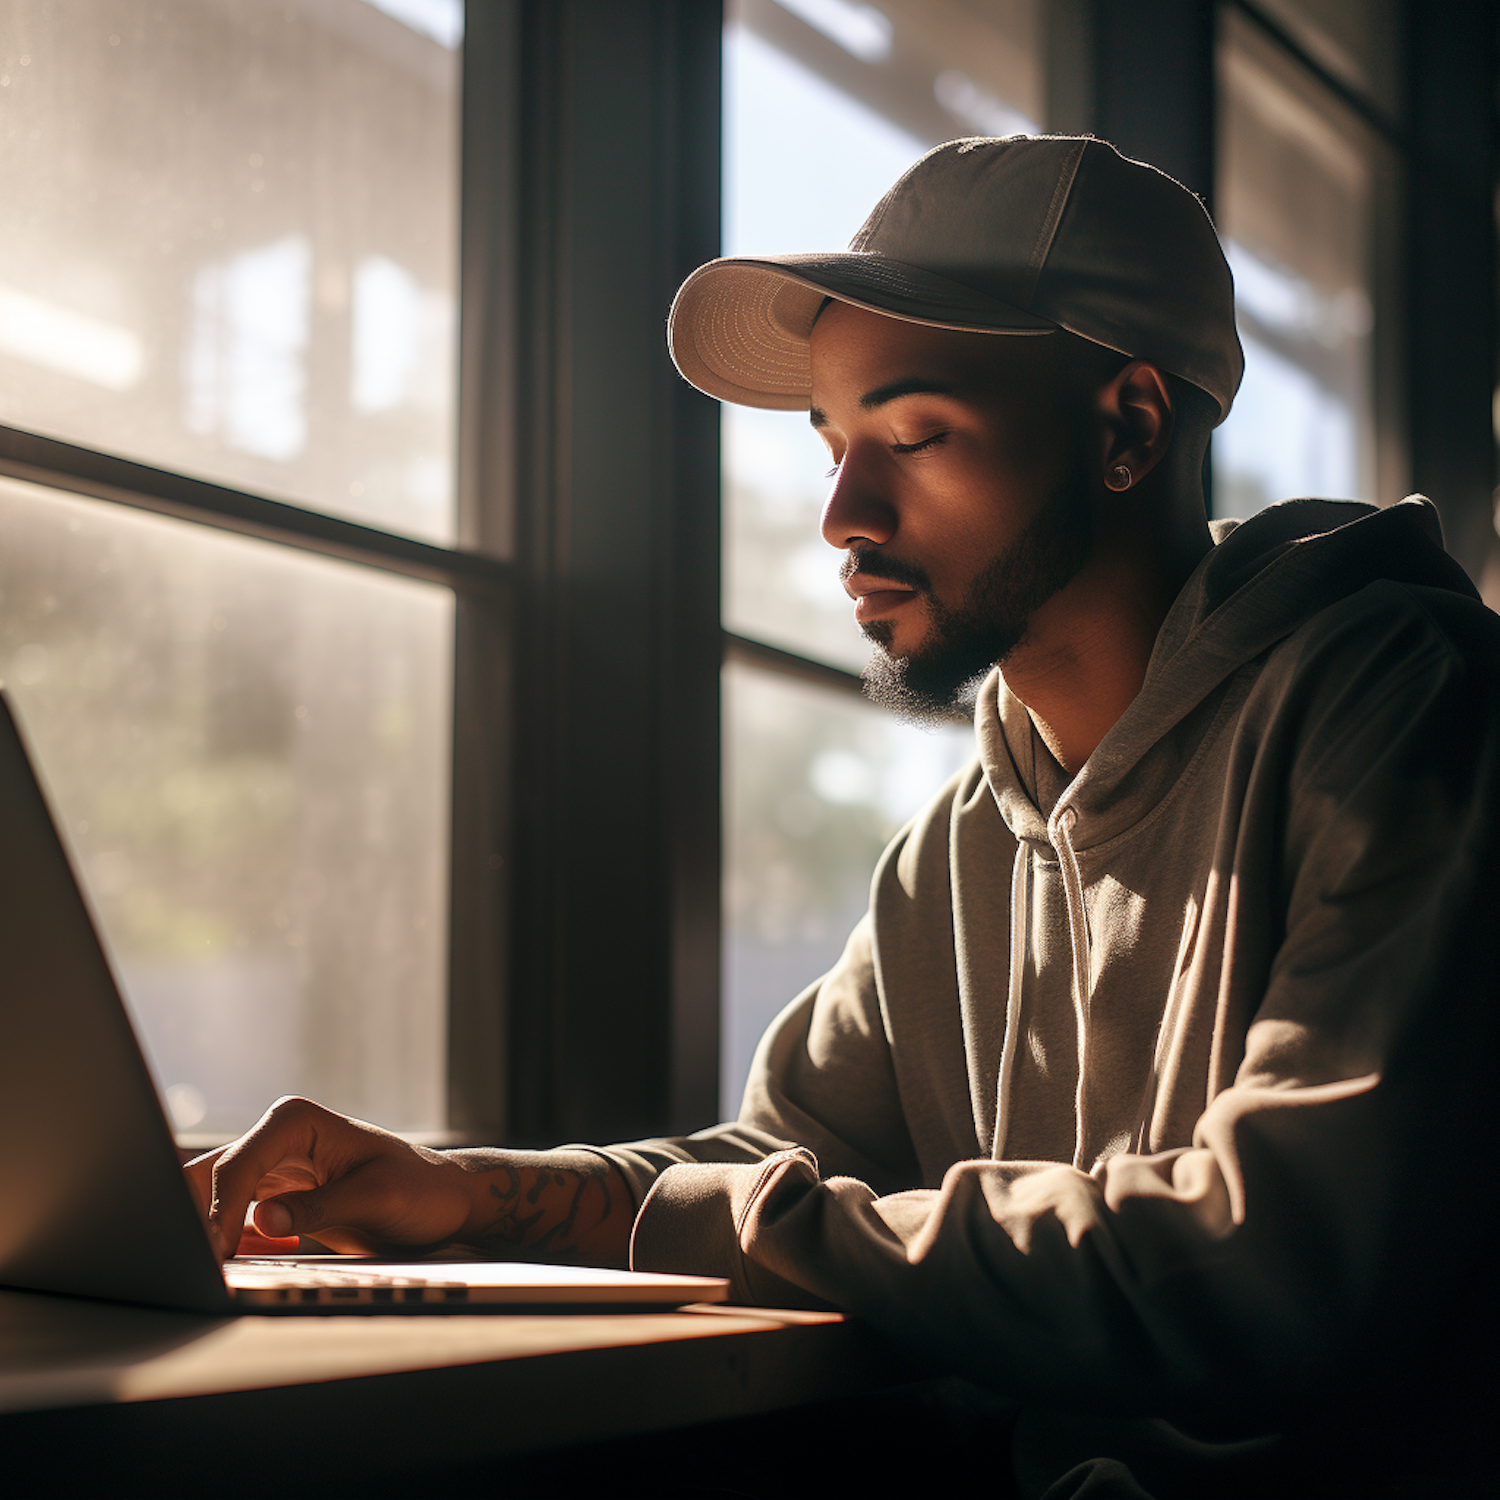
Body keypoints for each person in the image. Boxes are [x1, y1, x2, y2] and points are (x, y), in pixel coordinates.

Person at [187, 137, 1497, 1496]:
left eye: (915, 436)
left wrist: (715, 1219)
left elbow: (1271, 1270)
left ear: (1130, 426)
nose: (842, 515)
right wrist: (461, 1194)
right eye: (832, 444)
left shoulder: (1406, 710)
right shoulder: (959, 853)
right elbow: (782, 1167)